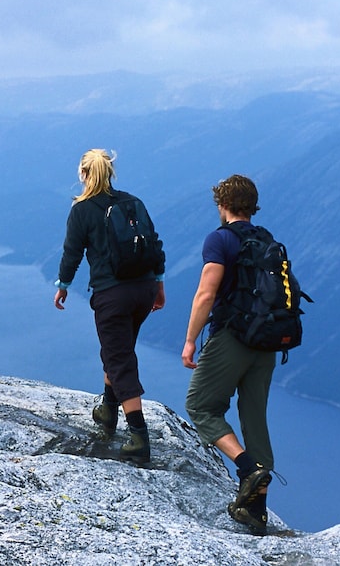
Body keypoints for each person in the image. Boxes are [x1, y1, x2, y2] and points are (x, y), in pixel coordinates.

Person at [53, 148, 166, 465]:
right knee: (118, 348)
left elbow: (72, 252)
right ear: (111, 173)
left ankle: (138, 437)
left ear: (84, 175)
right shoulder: (133, 202)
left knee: (119, 358)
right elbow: (154, 245)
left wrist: (63, 285)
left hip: (112, 294)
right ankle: (107, 411)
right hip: (143, 290)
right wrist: (158, 286)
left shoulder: (82, 210)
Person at [180, 174, 276, 535]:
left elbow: (206, 293)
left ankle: (247, 468)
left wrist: (190, 340)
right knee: (255, 418)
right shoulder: (268, 240)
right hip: (267, 343)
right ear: (252, 206)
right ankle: (256, 511)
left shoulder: (220, 239)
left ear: (223, 205)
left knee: (201, 405)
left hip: (232, 338)